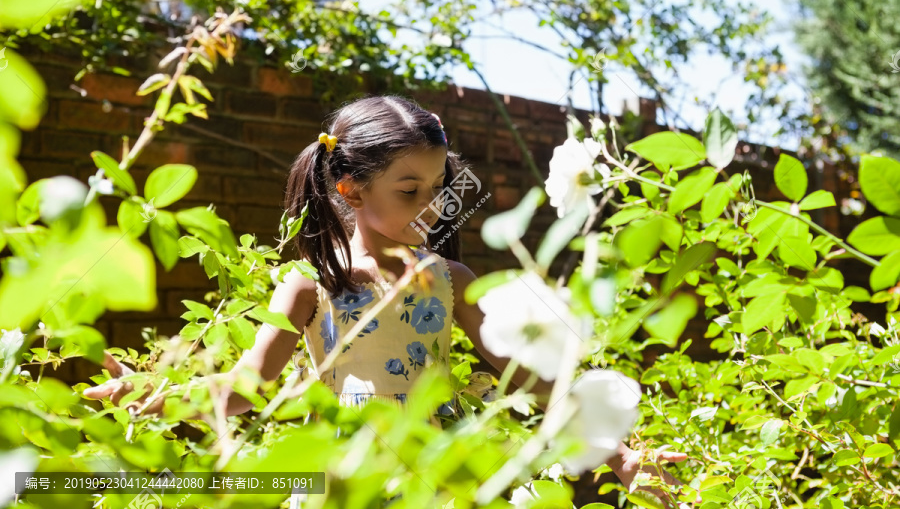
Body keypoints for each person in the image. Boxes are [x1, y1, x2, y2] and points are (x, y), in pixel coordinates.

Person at [84, 95, 691, 507]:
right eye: (409, 190)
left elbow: (528, 380)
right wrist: (150, 393)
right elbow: (246, 387)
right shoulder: (310, 283)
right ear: (351, 187)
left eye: (437, 188)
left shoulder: (449, 278)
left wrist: (619, 453)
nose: (430, 205)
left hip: (442, 479)